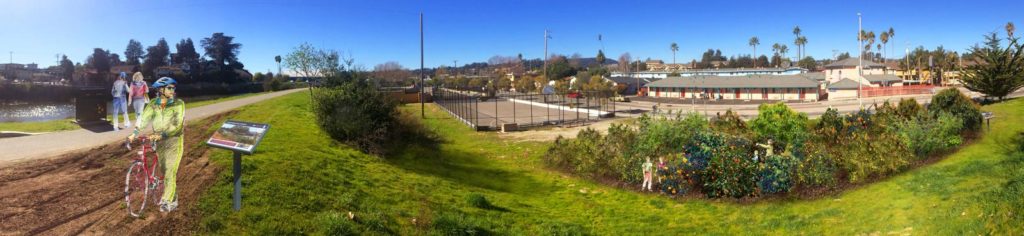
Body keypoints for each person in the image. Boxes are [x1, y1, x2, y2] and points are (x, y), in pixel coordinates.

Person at [128, 77, 185, 213]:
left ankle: (168, 201)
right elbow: (144, 119)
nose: (173, 90)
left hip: (174, 141)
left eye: (173, 88)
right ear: (161, 90)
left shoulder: (178, 103)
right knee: (165, 171)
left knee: (170, 170)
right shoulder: (153, 103)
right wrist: (134, 133)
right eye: (169, 88)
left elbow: (178, 125)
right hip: (158, 141)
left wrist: (163, 135)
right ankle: (172, 194)